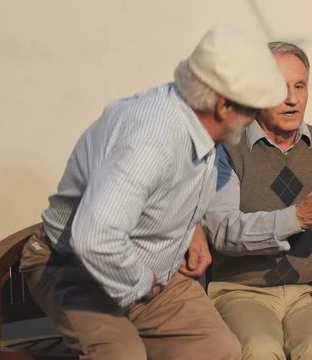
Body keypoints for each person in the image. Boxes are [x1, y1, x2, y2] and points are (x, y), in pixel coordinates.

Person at [18, 26, 287, 360]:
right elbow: (94, 237)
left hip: (151, 273)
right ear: (224, 105)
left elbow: (162, 191)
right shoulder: (152, 141)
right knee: (122, 354)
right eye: (252, 111)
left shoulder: (195, 123)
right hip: (75, 267)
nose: (255, 121)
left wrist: (192, 229)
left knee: (218, 350)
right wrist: (143, 285)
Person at [202, 41, 312, 360]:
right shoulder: (229, 149)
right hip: (242, 292)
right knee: (258, 350)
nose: (292, 99)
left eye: (300, 86)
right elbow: (222, 231)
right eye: (279, 87)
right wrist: (296, 218)